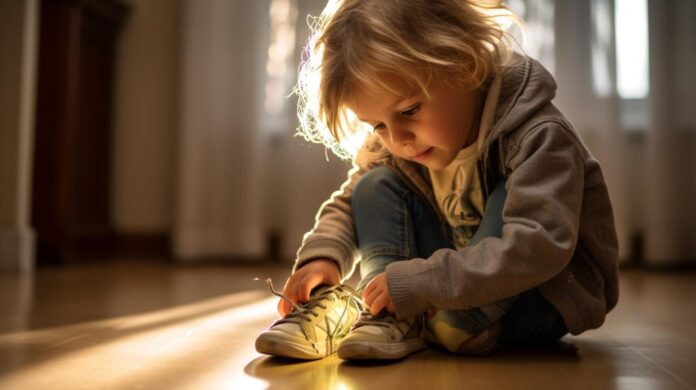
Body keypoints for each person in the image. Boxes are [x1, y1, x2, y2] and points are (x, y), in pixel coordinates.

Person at [255, 0, 619, 361]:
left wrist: (427, 282)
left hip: (538, 300)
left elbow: (538, 246)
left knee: (506, 193)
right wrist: (320, 257)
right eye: (378, 125)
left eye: (409, 110)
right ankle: (386, 315)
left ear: (467, 64)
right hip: (445, 293)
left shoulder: (538, 136)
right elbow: (349, 203)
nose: (397, 139)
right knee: (372, 185)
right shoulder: (400, 146)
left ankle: (452, 318)